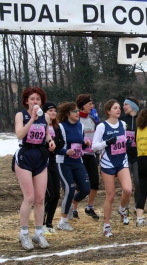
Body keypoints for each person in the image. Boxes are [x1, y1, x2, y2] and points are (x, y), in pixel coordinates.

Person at [13, 87, 55, 250]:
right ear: (26, 101)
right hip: (25, 156)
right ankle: (24, 233)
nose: (35, 102)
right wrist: (31, 119)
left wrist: (50, 141)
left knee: (40, 198)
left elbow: (46, 134)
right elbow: (19, 134)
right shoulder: (20, 115)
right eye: (32, 99)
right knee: (29, 197)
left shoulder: (45, 116)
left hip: (40, 156)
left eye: (38, 99)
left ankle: (38, 233)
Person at [92, 99, 132, 237]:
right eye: (115, 108)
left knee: (128, 190)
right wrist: (107, 142)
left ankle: (121, 209)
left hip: (122, 160)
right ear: (108, 111)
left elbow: (123, 139)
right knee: (111, 195)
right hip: (108, 162)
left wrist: (127, 142)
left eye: (119, 107)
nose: (118, 110)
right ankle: (107, 225)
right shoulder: (102, 126)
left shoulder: (122, 124)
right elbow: (93, 146)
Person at [56, 102, 91, 231]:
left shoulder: (80, 126)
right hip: (64, 162)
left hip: (78, 161)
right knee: (69, 190)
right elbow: (55, 147)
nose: (77, 113)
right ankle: (63, 221)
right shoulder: (60, 127)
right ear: (67, 114)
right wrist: (65, 151)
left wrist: (85, 144)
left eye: (77, 111)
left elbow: (80, 145)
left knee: (86, 189)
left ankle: (71, 203)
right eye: (74, 111)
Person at [73, 94, 100, 220]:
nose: (92, 106)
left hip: (91, 154)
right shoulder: (76, 119)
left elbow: (96, 136)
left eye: (92, 103)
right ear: (82, 105)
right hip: (79, 155)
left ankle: (89, 207)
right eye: (89, 103)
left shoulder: (92, 119)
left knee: (94, 182)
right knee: (79, 184)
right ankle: (73, 209)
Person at [42, 102, 64, 235]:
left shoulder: (56, 127)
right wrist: (47, 145)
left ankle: (49, 223)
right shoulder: (41, 126)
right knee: (49, 194)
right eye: (50, 111)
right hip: (43, 162)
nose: (53, 113)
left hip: (53, 162)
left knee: (56, 194)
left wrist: (55, 144)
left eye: (55, 111)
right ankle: (42, 223)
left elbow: (61, 143)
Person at [120, 96, 140, 216]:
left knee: (138, 182)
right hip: (125, 156)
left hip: (137, 156)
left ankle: (138, 205)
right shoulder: (122, 120)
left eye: (126, 105)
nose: (123, 107)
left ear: (132, 106)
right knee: (126, 185)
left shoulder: (140, 120)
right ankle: (124, 207)